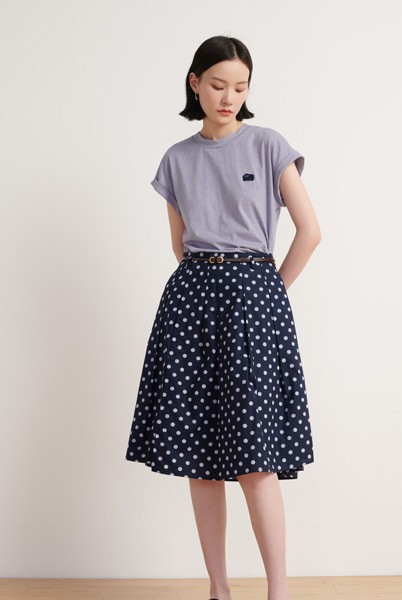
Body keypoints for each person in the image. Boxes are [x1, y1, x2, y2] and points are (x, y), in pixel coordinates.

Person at [125, 35, 321, 600]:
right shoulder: (176, 159)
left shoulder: (268, 145)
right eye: (217, 85)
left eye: (240, 86)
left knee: (256, 459)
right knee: (199, 457)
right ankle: (218, 588)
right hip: (191, 301)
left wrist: (269, 293)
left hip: (254, 298)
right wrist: (209, 293)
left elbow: (310, 231)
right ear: (195, 84)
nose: (229, 97)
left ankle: (278, 591)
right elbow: (180, 244)